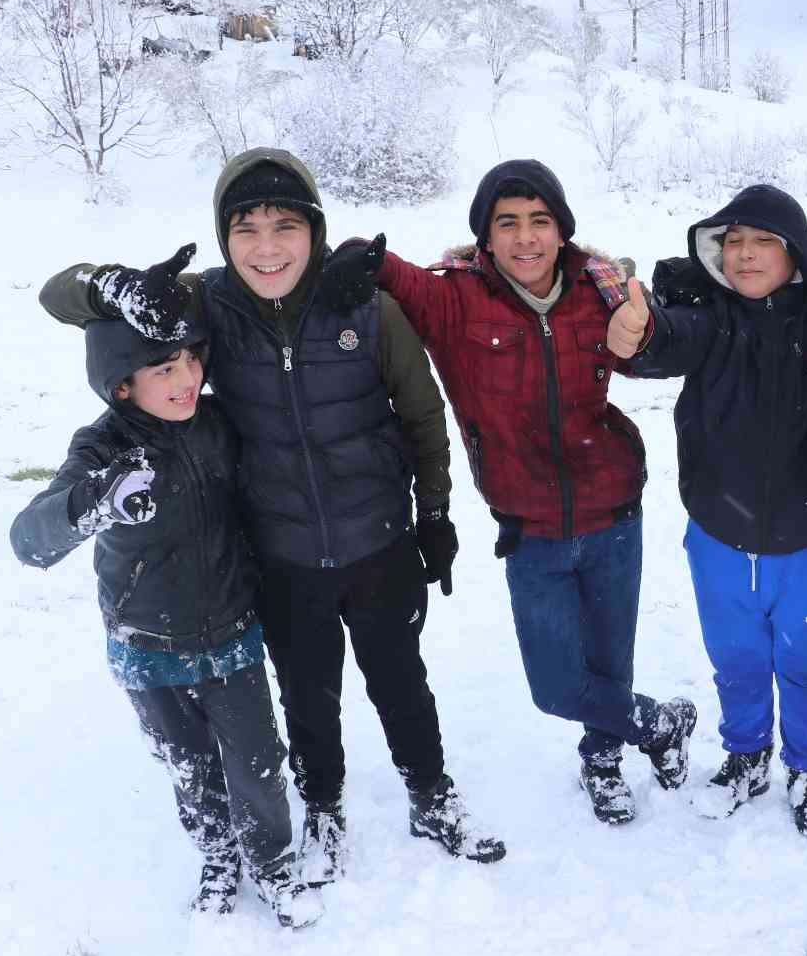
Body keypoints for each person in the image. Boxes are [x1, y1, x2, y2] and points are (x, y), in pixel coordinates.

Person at [36, 148, 504, 876]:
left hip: (378, 542)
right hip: (280, 556)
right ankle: (322, 803)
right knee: (307, 694)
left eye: (285, 225)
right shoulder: (206, 308)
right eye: (245, 228)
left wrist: (434, 512)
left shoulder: (367, 306)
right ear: (224, 238)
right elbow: (57, 296)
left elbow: (422, 415)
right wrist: (115, 287)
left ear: (314, 229)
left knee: (400, 680)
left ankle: (430, 792)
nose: (267, 247)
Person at [330, 159, 698, 826]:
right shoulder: (455, 301)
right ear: (485, 239)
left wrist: (645, 331)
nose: (526, 239)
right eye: (508, 225)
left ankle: (603, 757)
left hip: (614, 510)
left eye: (540, 222)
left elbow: (653, 347)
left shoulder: (601, 289)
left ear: (561, 232)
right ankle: (660, 724)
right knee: (556, 686)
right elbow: (390, 270)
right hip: (529, 526)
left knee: (611, 662)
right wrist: (358, 256)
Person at [9, 302, 321, 928]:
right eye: (162, 367)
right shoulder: (101, 448)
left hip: (230, 632)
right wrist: (98, 499)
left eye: (189, 360)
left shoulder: (216, 423)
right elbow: (30, 540)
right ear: (121, 383)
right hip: (147, 646)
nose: (185, 378)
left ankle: (273, 862)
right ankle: (217, 856)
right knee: (191, 765)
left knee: (256, 761)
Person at [604, 185, 807, 834]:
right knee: (737, 661)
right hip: (719, 535)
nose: (742, 256)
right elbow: (667, 336)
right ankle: (747, 757)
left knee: (805, 665)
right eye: (730, 244)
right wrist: (638, 332)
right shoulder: (713, 316)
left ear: (794, 250)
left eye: (760, 242)